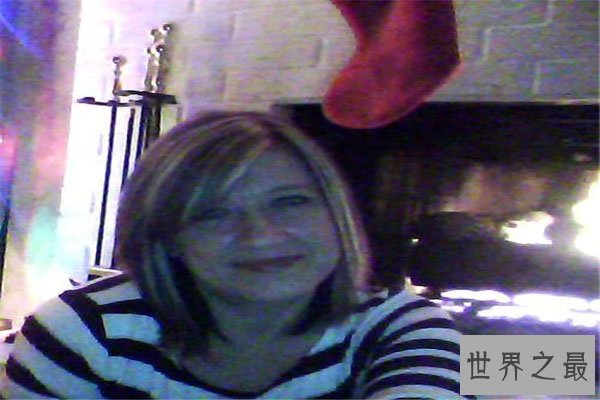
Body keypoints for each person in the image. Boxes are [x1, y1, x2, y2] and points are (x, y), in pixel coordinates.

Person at [1, 111, 467, 399]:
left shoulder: (403, 324)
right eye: (212, 213)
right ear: (167, 237)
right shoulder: (82, 330)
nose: (259, 235)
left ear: (336, 216)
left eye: (289, 202)